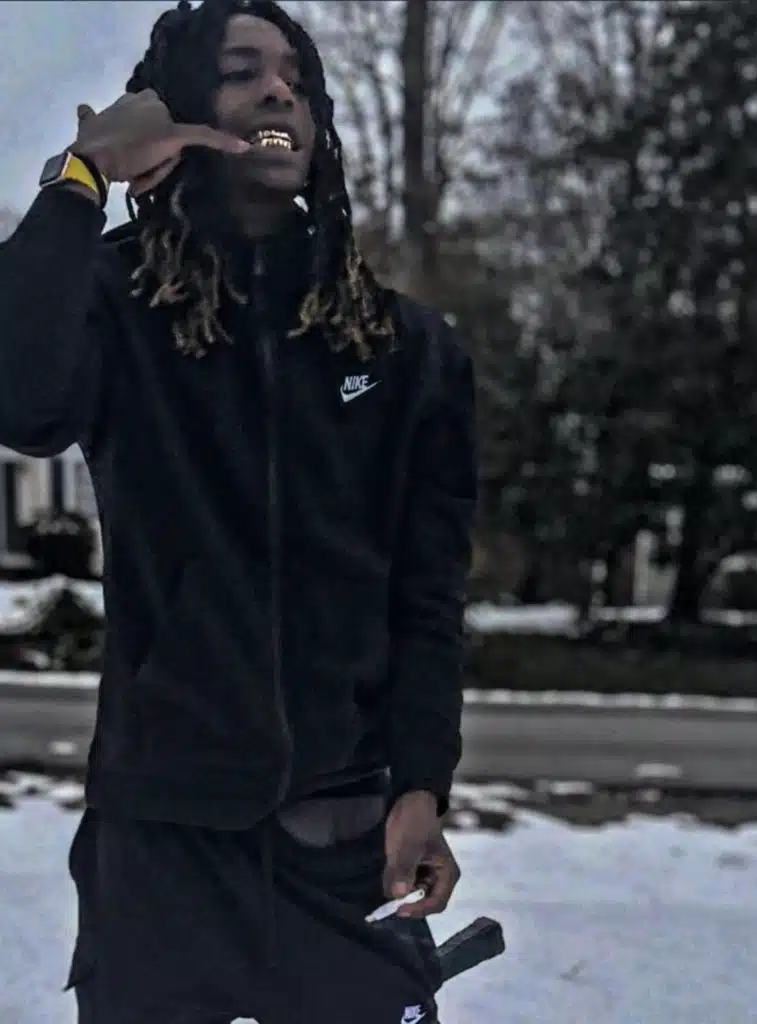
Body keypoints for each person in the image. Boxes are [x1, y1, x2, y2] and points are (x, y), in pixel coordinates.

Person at [0, 0, 477, 1021]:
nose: (277, 93)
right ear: (178, 111)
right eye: (241, 72)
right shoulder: (117, 302)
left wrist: (420, 787)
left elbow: (428, 595)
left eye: (295, 79)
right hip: (159, 850)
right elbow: (18, 399)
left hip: (340, 843)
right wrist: (84, 172)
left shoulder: (404, 347)